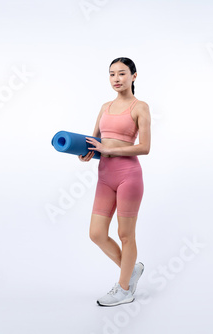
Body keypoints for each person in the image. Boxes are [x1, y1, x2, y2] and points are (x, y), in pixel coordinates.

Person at [79, 57, 151, 307]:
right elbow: (94, 142)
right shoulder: (104, 107)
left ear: (134, 76)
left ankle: (124, 289)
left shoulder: (140, 107)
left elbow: (145, 147)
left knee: (125, 234)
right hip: (104, 176)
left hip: (128, 176)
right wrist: (84, 152)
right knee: (96, 233)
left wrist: (111, 151)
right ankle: (131, 271)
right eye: (111, 74)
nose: (116, 79)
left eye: (121, 74)